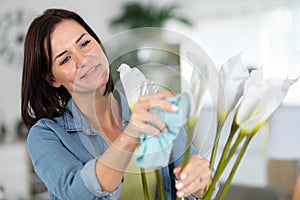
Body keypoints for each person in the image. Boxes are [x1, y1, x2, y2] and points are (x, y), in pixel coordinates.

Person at [22, 8, 215, 200]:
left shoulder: (154, 109)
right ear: (52, 79)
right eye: (65, 59)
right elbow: (75, 192)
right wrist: (130, 135)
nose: (84, 60)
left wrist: (199, 184)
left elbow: (199, 185)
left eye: (85, 43)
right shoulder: (45, 136)